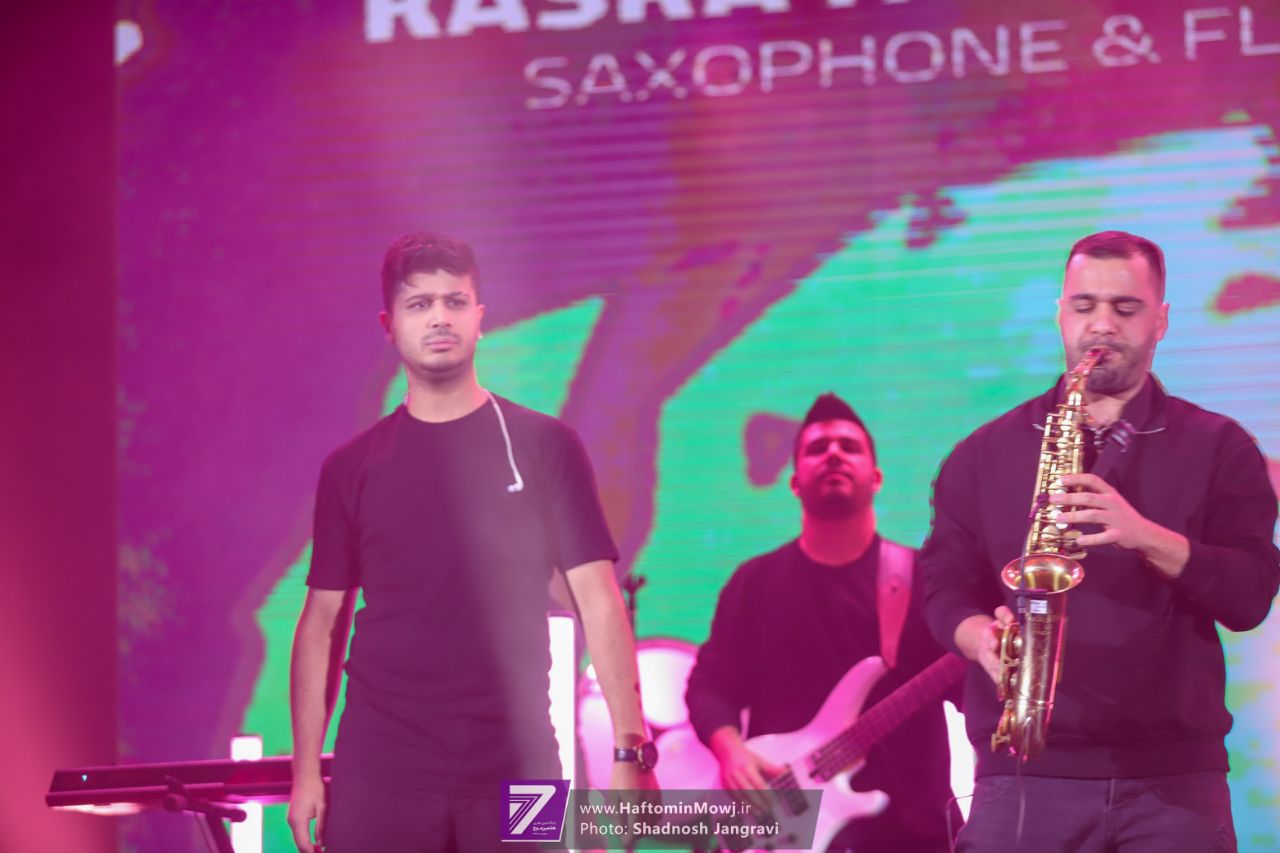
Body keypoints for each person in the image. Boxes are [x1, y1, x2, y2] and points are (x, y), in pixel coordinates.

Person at [286, 233, 657, 853]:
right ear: (389, 326)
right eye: (419, 303)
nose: (440, 317)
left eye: (455, 301)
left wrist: (631, 749)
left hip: (524, 762)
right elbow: (322, 622)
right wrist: (304, 773)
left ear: (480, 317)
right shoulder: (351, 469)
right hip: (382, 765)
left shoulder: (545, 446)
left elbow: (598, 598)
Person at [920, 230, 1280, 852]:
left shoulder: (1220, 446)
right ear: (1060, 313)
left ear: (1161, 320)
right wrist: (978, 635)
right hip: (1024, 775)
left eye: (1125, 308)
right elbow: (942, 584)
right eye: (1084, 306)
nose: (1102, 326)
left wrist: (1144, 536)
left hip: (1174, 783)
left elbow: (1250, 597)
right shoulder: (984, 453)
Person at [685, 393, 961, 852]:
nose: (834, 453)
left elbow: (968, 688)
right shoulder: (754, 583)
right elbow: (710, 686)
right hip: (787, 821)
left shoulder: (925, 578)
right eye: (817, 448)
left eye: (849, 447)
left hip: (913, 828)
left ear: (876, 478)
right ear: (794, 482)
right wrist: (731, 753)